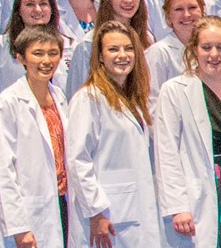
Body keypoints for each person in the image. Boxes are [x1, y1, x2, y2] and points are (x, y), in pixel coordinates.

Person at [151, 17, 221, 248]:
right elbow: (166, 153)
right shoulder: (175, 91)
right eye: (206, 47)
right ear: (194, 49)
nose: (213, 55)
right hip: (197, 193)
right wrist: (177, 206)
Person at [66, 20, 163, 247]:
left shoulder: (133, 101)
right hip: (108, 217)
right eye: (113, 49)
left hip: (133, 214)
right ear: (100, 56)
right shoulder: (89, 97)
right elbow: (78, 160)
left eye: (128, 49)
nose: (123, 55)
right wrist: (96, 211)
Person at [0, 26, 69, 248]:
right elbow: (2, 171)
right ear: (20, 57)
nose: (46, 60)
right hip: (28, 214)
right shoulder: (8, 103)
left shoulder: (60, 98)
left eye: (53, 53)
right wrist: (18, 227)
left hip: (62, 205)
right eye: (38, 53)